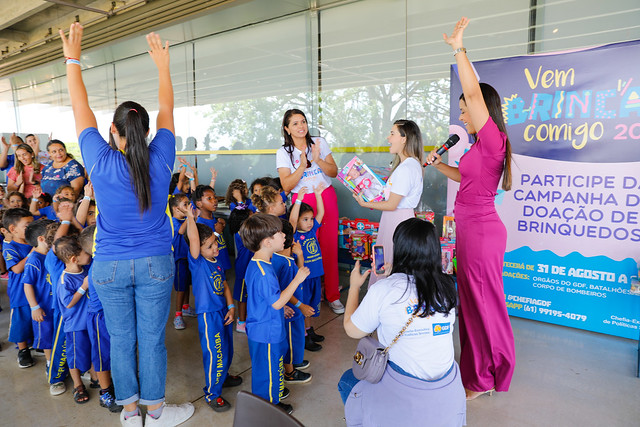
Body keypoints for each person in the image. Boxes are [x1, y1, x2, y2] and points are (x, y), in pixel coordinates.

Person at [60, 22, 194, 426]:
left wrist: (73, 57)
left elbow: (78, 103)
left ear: (113, 131)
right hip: (155, 263)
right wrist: (164, 67)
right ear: (149, 132)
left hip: (109, 266)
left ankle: (130, 412)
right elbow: (168, 108)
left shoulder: (98, 158)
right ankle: (155, 412)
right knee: (152, 340)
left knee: (121, 340)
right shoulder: (162, 155)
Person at [427, 17, 515, 400]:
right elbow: (467, 180)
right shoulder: (479, 147)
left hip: (481, 231)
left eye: (464, 110)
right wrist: (438, 164)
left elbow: (475, 94)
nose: (462, 115)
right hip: (468, 229)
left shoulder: (494, 139)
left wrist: (459, 49)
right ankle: (479, 372)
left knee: (483, 307)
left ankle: (487, 377)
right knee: (473, 307)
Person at [339, 218, 466, 426]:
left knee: (347, 380)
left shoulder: (385, 290)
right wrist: (389, 277)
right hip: (447, 393)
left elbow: (352, 330)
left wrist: (354, 287)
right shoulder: (447, 287)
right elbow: (415, 295)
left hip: (406, 392)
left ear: (400, 249)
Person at [239, 213, 310, 415]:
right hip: (266, 332)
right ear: (268, 242)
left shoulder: (261, 263)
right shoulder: (263, 271)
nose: (284, 236)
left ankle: (271, 401)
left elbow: (269, 299)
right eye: (279, 233)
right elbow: (277, 301)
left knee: (271, 369)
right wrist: (297, 279)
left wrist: (283, 305)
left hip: (267, 327)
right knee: (268, 373)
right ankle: (269, 409)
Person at [276, 109, 343, 314]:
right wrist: (303, 164)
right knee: (302, 249)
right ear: (287, 128)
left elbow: (334, 171)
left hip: (325, 195)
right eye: (295, 123)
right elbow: (286, 185)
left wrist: (318, 160)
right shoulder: (283, 152)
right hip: (302, 201)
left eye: (303, 121)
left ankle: (332, 295)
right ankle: (303, 296)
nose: (300, 126)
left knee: (329, 246)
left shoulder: (319, 142)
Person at [352, 119, 424, 286]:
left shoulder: (406, 168)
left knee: (388, 261)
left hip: (396, 220)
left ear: (404, 138)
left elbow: (392, 204)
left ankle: (382, 299)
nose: (388, 138)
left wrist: (364, 203)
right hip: (395, 219)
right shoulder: (408, 165)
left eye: (392, 134)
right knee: (386, 260)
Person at [185, 205, 242, 412]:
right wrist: (191, 219)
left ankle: (223, 377)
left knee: (227, 349)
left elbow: (225, 285)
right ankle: (212, 393)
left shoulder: (215, 261)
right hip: (209, 316)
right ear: (198, 250)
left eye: (215, 243)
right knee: (215, 354)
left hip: (223, 312)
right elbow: (193, 239)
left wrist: (231, 306)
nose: (215, 248)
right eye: (209, 246)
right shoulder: (197, 262)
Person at [78, 226, 122, 412]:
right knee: (103, 356)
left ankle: (117, 385)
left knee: (116, 352)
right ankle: (106, 393)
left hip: (113, 314)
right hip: (100, 318)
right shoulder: (99, 267)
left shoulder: (105, 262)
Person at [273, 219, 313, 383]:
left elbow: (300, 274)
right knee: (288, 342)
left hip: (294, 310)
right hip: (290, 310)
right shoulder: (282, 263)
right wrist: (301, 305)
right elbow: (285, 291)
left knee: (295, 339)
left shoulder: (286, 259)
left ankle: (294, 363)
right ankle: (289, 372)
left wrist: (300, 255)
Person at [55, 236, 93, 404]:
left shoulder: (84, 270)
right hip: (76, 326)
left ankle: (95, 378)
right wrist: (83, 287)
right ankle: (78, 385)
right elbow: (69, 303)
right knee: (75, 357)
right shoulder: (65, 280)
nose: (89, 254)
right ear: (74, 258)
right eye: (86, 252)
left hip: (89, 322)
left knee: (92, 351)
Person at [289, 185, 326, 351]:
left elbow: (321, 213)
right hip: (303, 277)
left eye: (311, 219)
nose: (310, 222)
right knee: (304, 305)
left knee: (312, 304)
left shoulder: (312, 232)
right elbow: (292, 221)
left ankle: (309, 330)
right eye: (305, 219)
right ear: (297, 221)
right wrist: (298, 201)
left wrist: (318, 195)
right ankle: (303, 337)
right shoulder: (295, 234)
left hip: (315, 275)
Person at [23, 219, 56, 384]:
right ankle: (50, 365)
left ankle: (62, 364)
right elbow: (27, 285)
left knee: (58, 336)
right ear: (42, 239)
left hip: (56, 306)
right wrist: (34, 307)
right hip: (43, 309)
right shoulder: (34, 259)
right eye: (53, 235)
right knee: (47, 338)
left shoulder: (54, 254)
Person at [3, 208, 35, 368]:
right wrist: (34, 252)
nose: (31, 229)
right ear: (12, 229)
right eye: (27, 226)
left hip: (36, 291)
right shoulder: (10, 246)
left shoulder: (33, 243)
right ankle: (23, 350)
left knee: (35, 317)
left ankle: (37, 343)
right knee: (20, 322)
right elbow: (16, 269)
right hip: (19, 293)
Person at [228, 206, 253, 333]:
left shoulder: (245, 232)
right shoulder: (242, 234)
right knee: (242, 297)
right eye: (251, 218)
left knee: (248, 295)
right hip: (244, 269)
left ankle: (246, 319)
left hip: (249, 268)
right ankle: (241, 322)